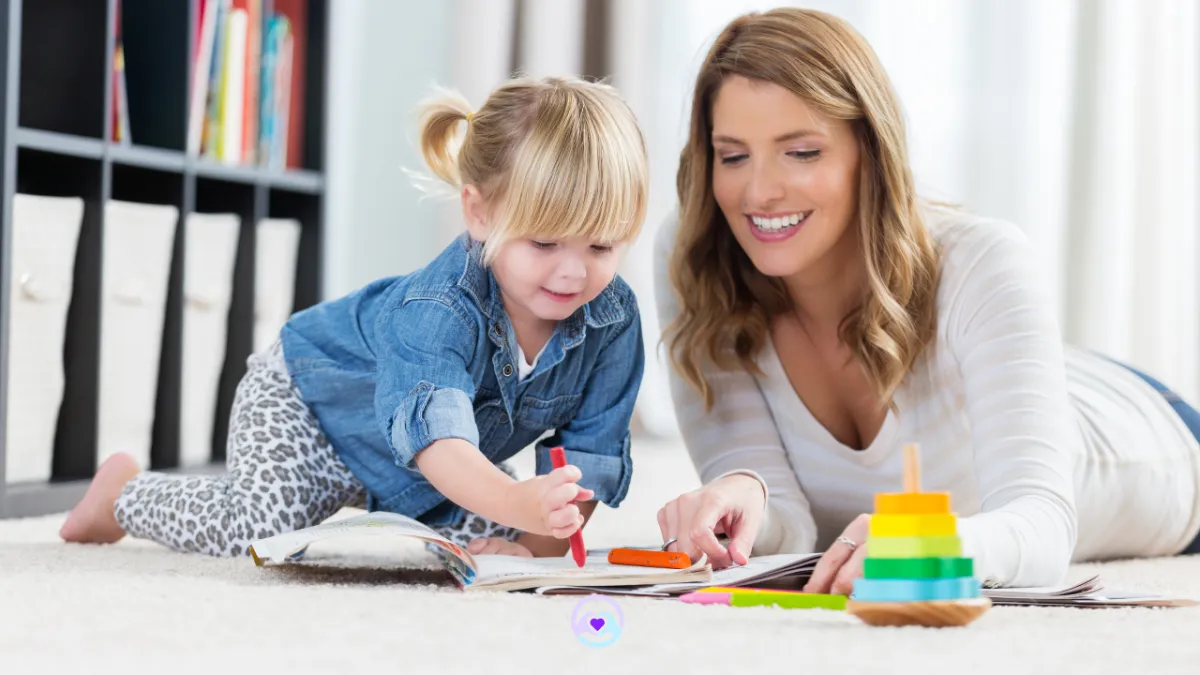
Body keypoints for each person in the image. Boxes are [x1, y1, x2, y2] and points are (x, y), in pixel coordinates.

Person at [652, 7, 1200, 591]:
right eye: (733, 156)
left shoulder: (983, 259)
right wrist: (740, 495)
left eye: (802, 152)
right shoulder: (697, 255)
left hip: (1149, 430)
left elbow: (1043, 530)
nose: (758, 191)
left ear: (871, 151)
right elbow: (790, 528)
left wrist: (929, 541)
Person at [59, 75, 649, 560]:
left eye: (601, 247)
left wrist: (533, 541)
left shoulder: (612, 319)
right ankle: (123, 496)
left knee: (470, 550)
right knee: (258, 532)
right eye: (544, 244)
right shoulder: (438, 308)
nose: (574, 275)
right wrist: (516, 503)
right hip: (311, 406)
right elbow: (439, 440)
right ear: (481, 212)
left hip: (428, 468)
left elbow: (589, 456)